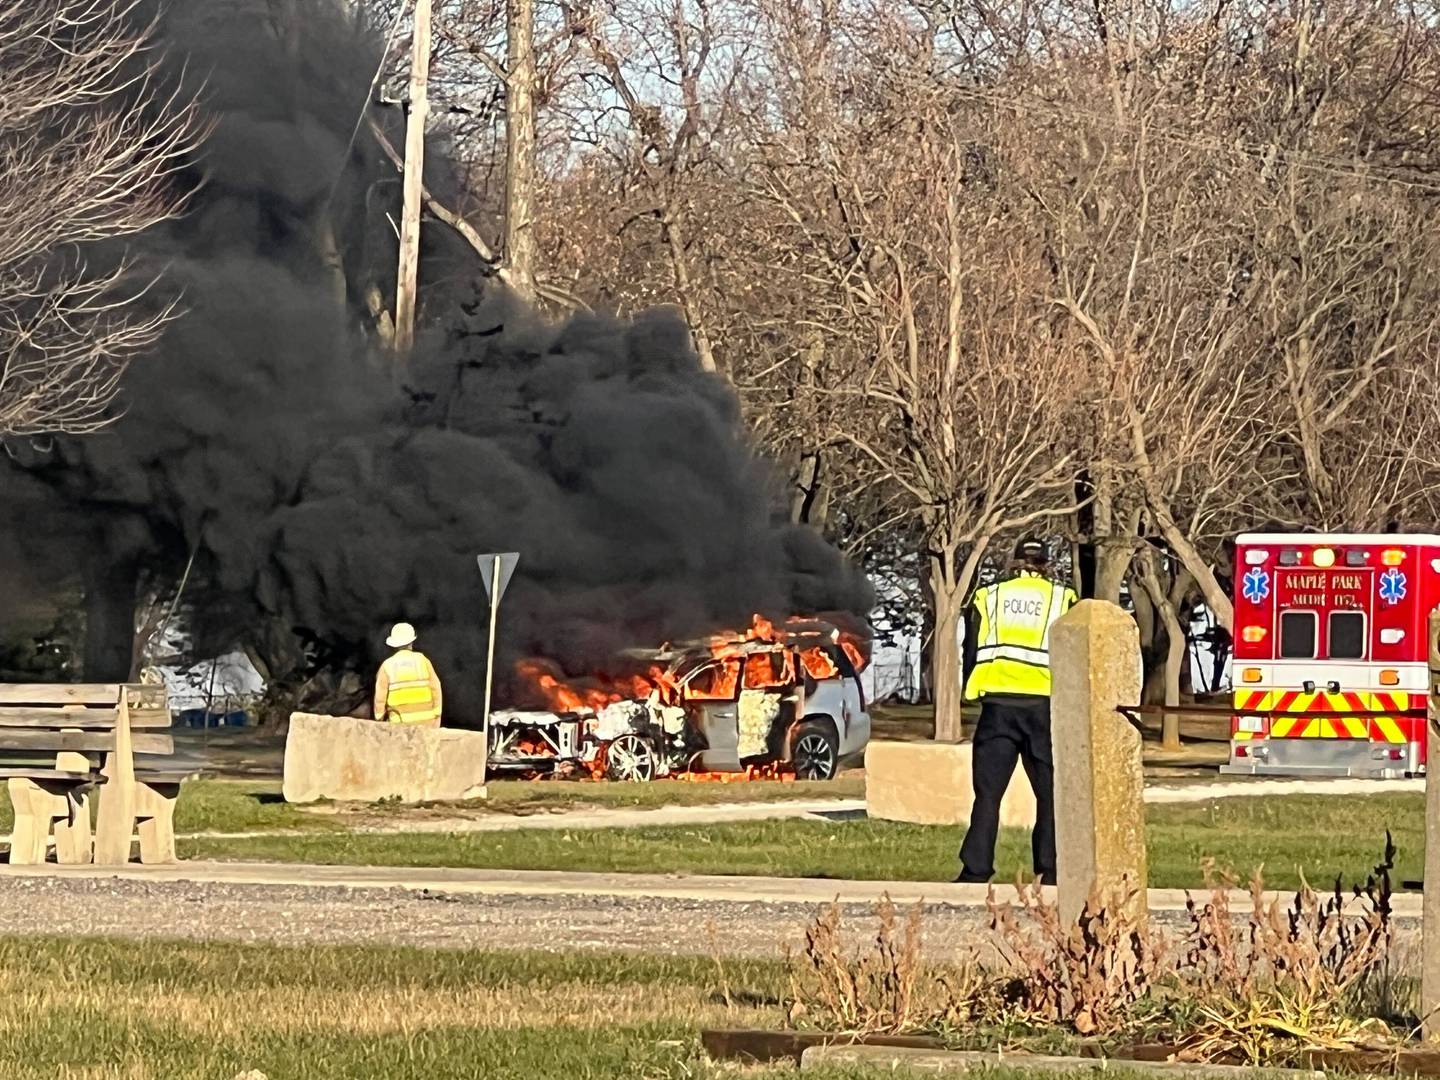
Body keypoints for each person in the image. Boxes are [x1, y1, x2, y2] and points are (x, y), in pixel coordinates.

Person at [956, 538, 1077, 886]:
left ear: (1014, 562)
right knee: (1049, 794)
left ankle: (975, 870)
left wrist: (973, 690)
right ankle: (1049, 871)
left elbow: (971, 651)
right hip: (1042, 707)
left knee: (988, 795)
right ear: (1046, 564)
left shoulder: (989, 597)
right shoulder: (1063, 599)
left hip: (997, 706)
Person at [373, 622, 443, 727]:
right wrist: (437, 715)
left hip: (400, 726)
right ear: (411, 642)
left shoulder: (387, 665)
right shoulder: (423, 661)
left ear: (394, 645)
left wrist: (379, 718)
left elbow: (380, 696)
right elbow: (436, 687)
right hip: (427, 724)